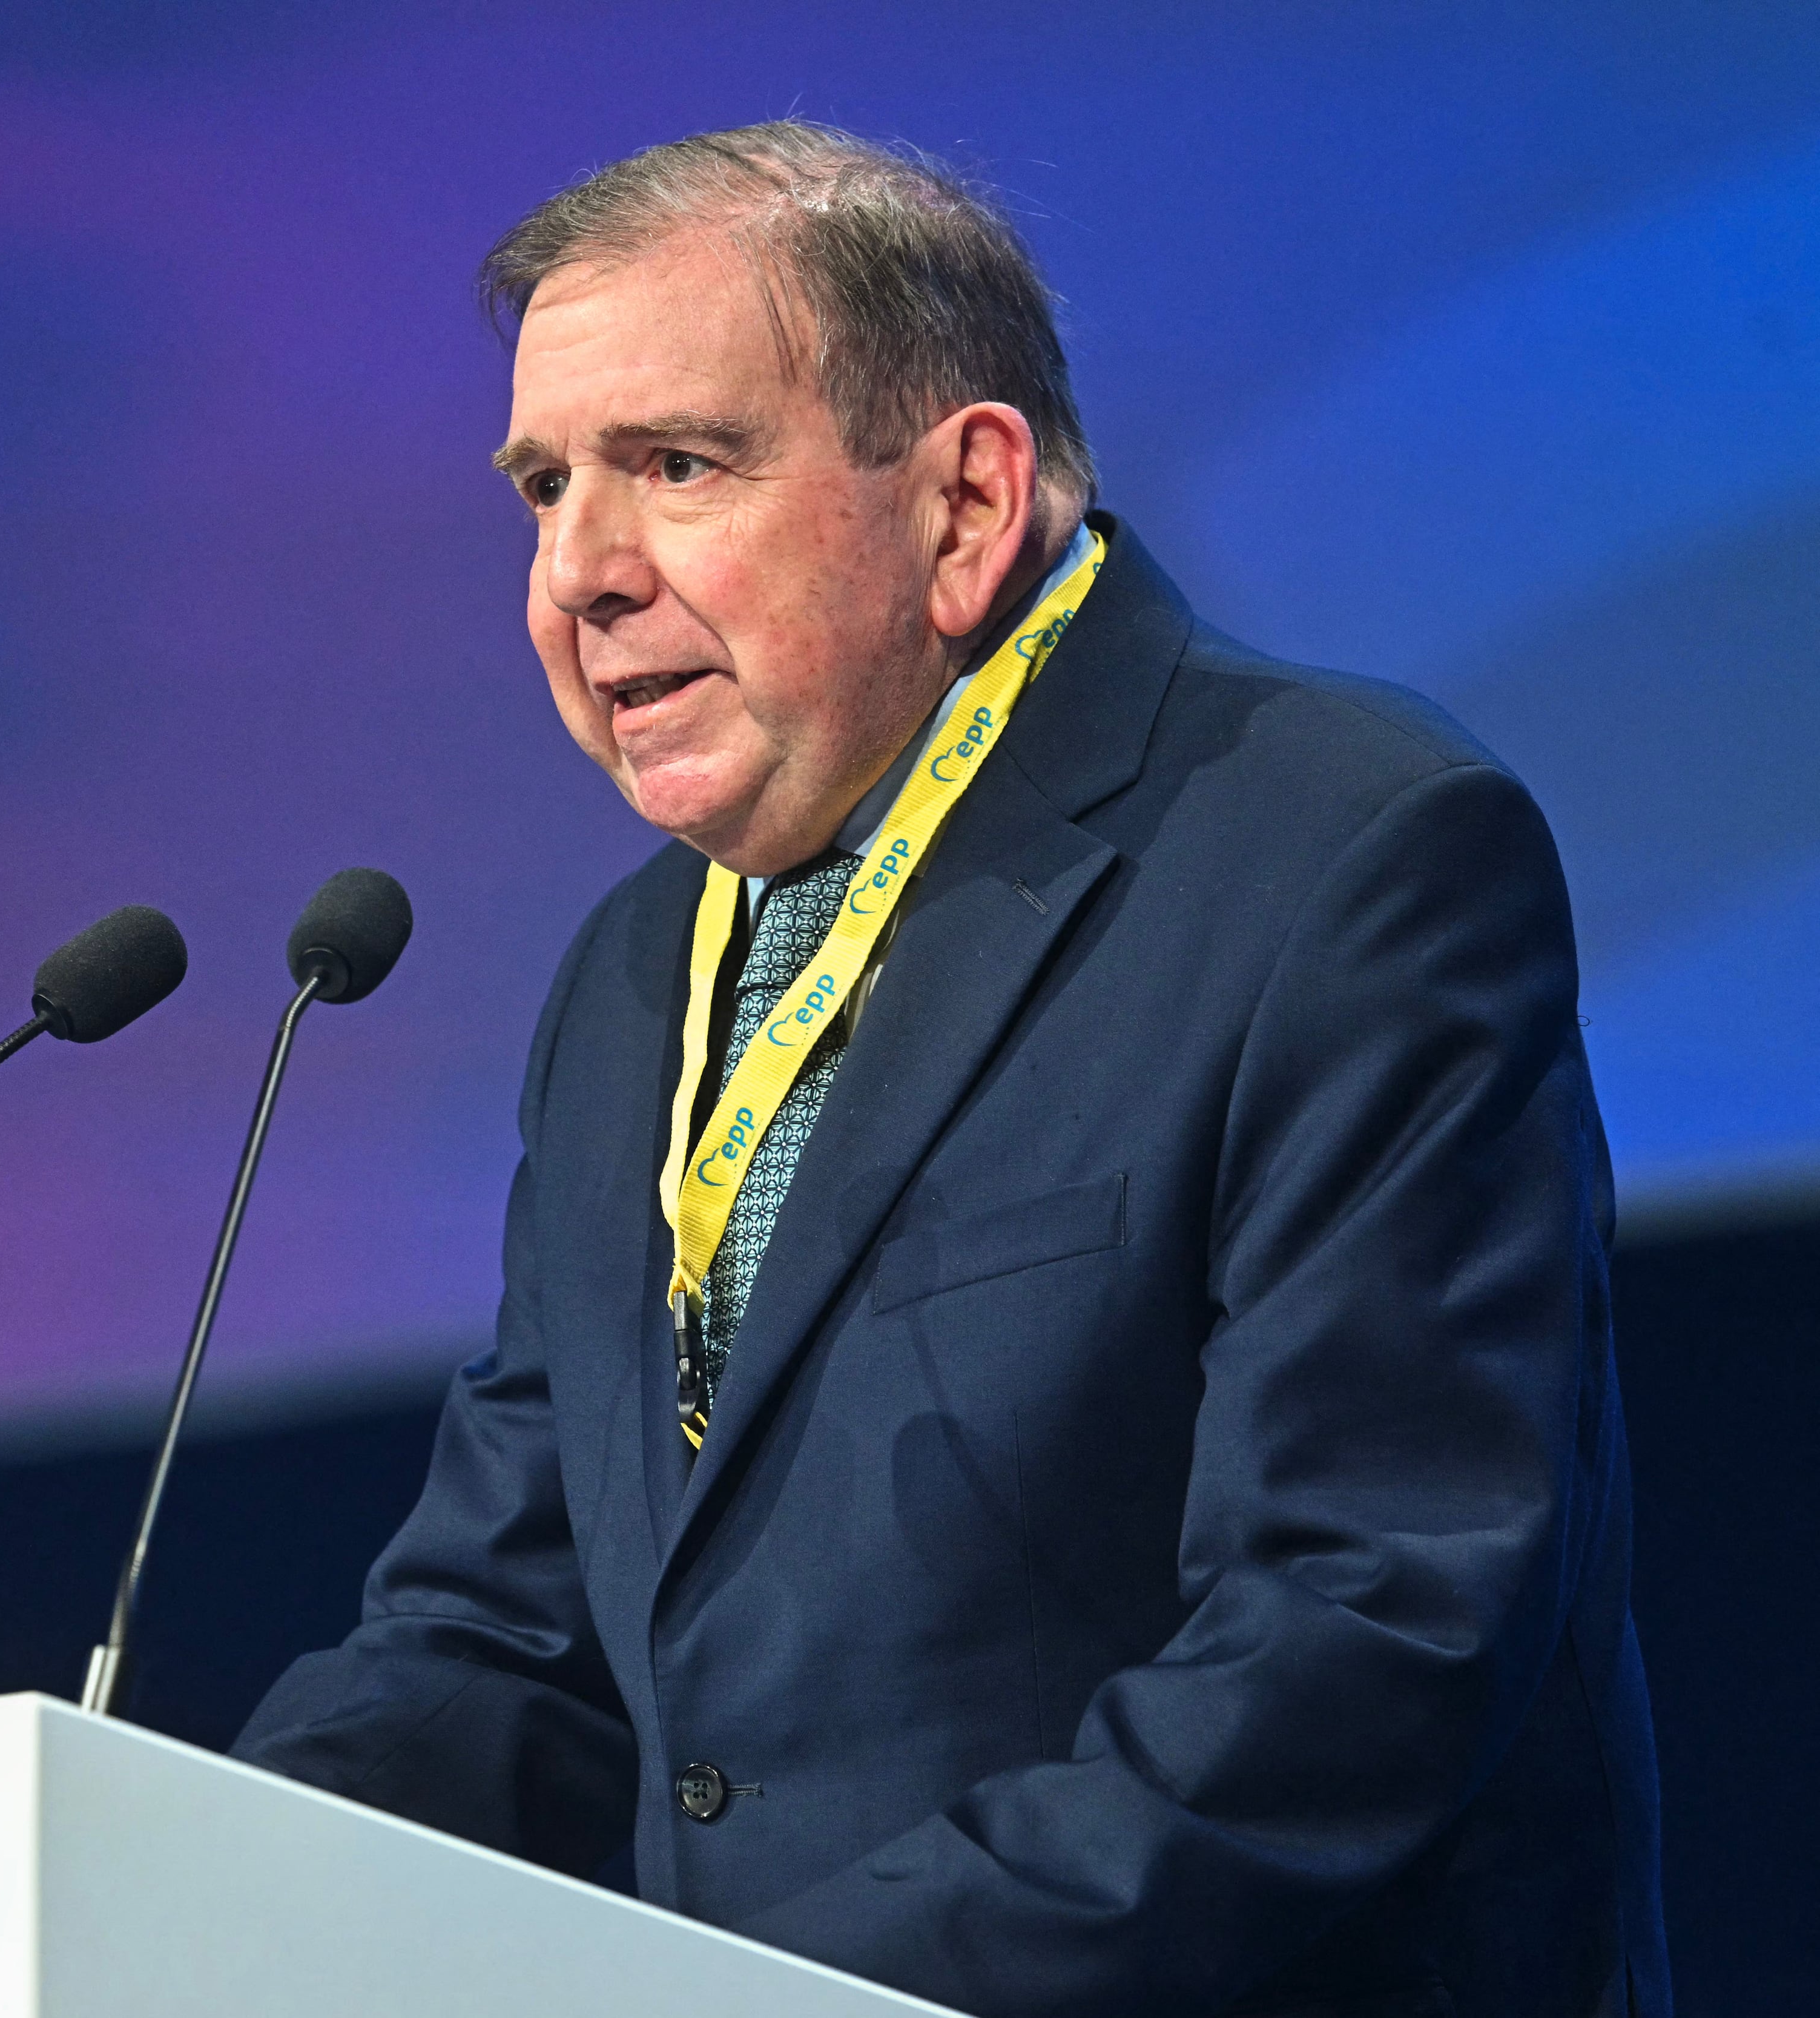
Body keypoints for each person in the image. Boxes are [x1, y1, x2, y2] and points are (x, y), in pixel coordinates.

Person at [231, 123, 1665, 2018]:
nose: (577, 572)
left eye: (675, 466)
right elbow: (509, 1640)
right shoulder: (636, 982)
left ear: (967, 506)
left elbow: (1369, 1628)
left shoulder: (1344, 856)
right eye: (542, 488)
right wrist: (165, 1903)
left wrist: (780, 2004)